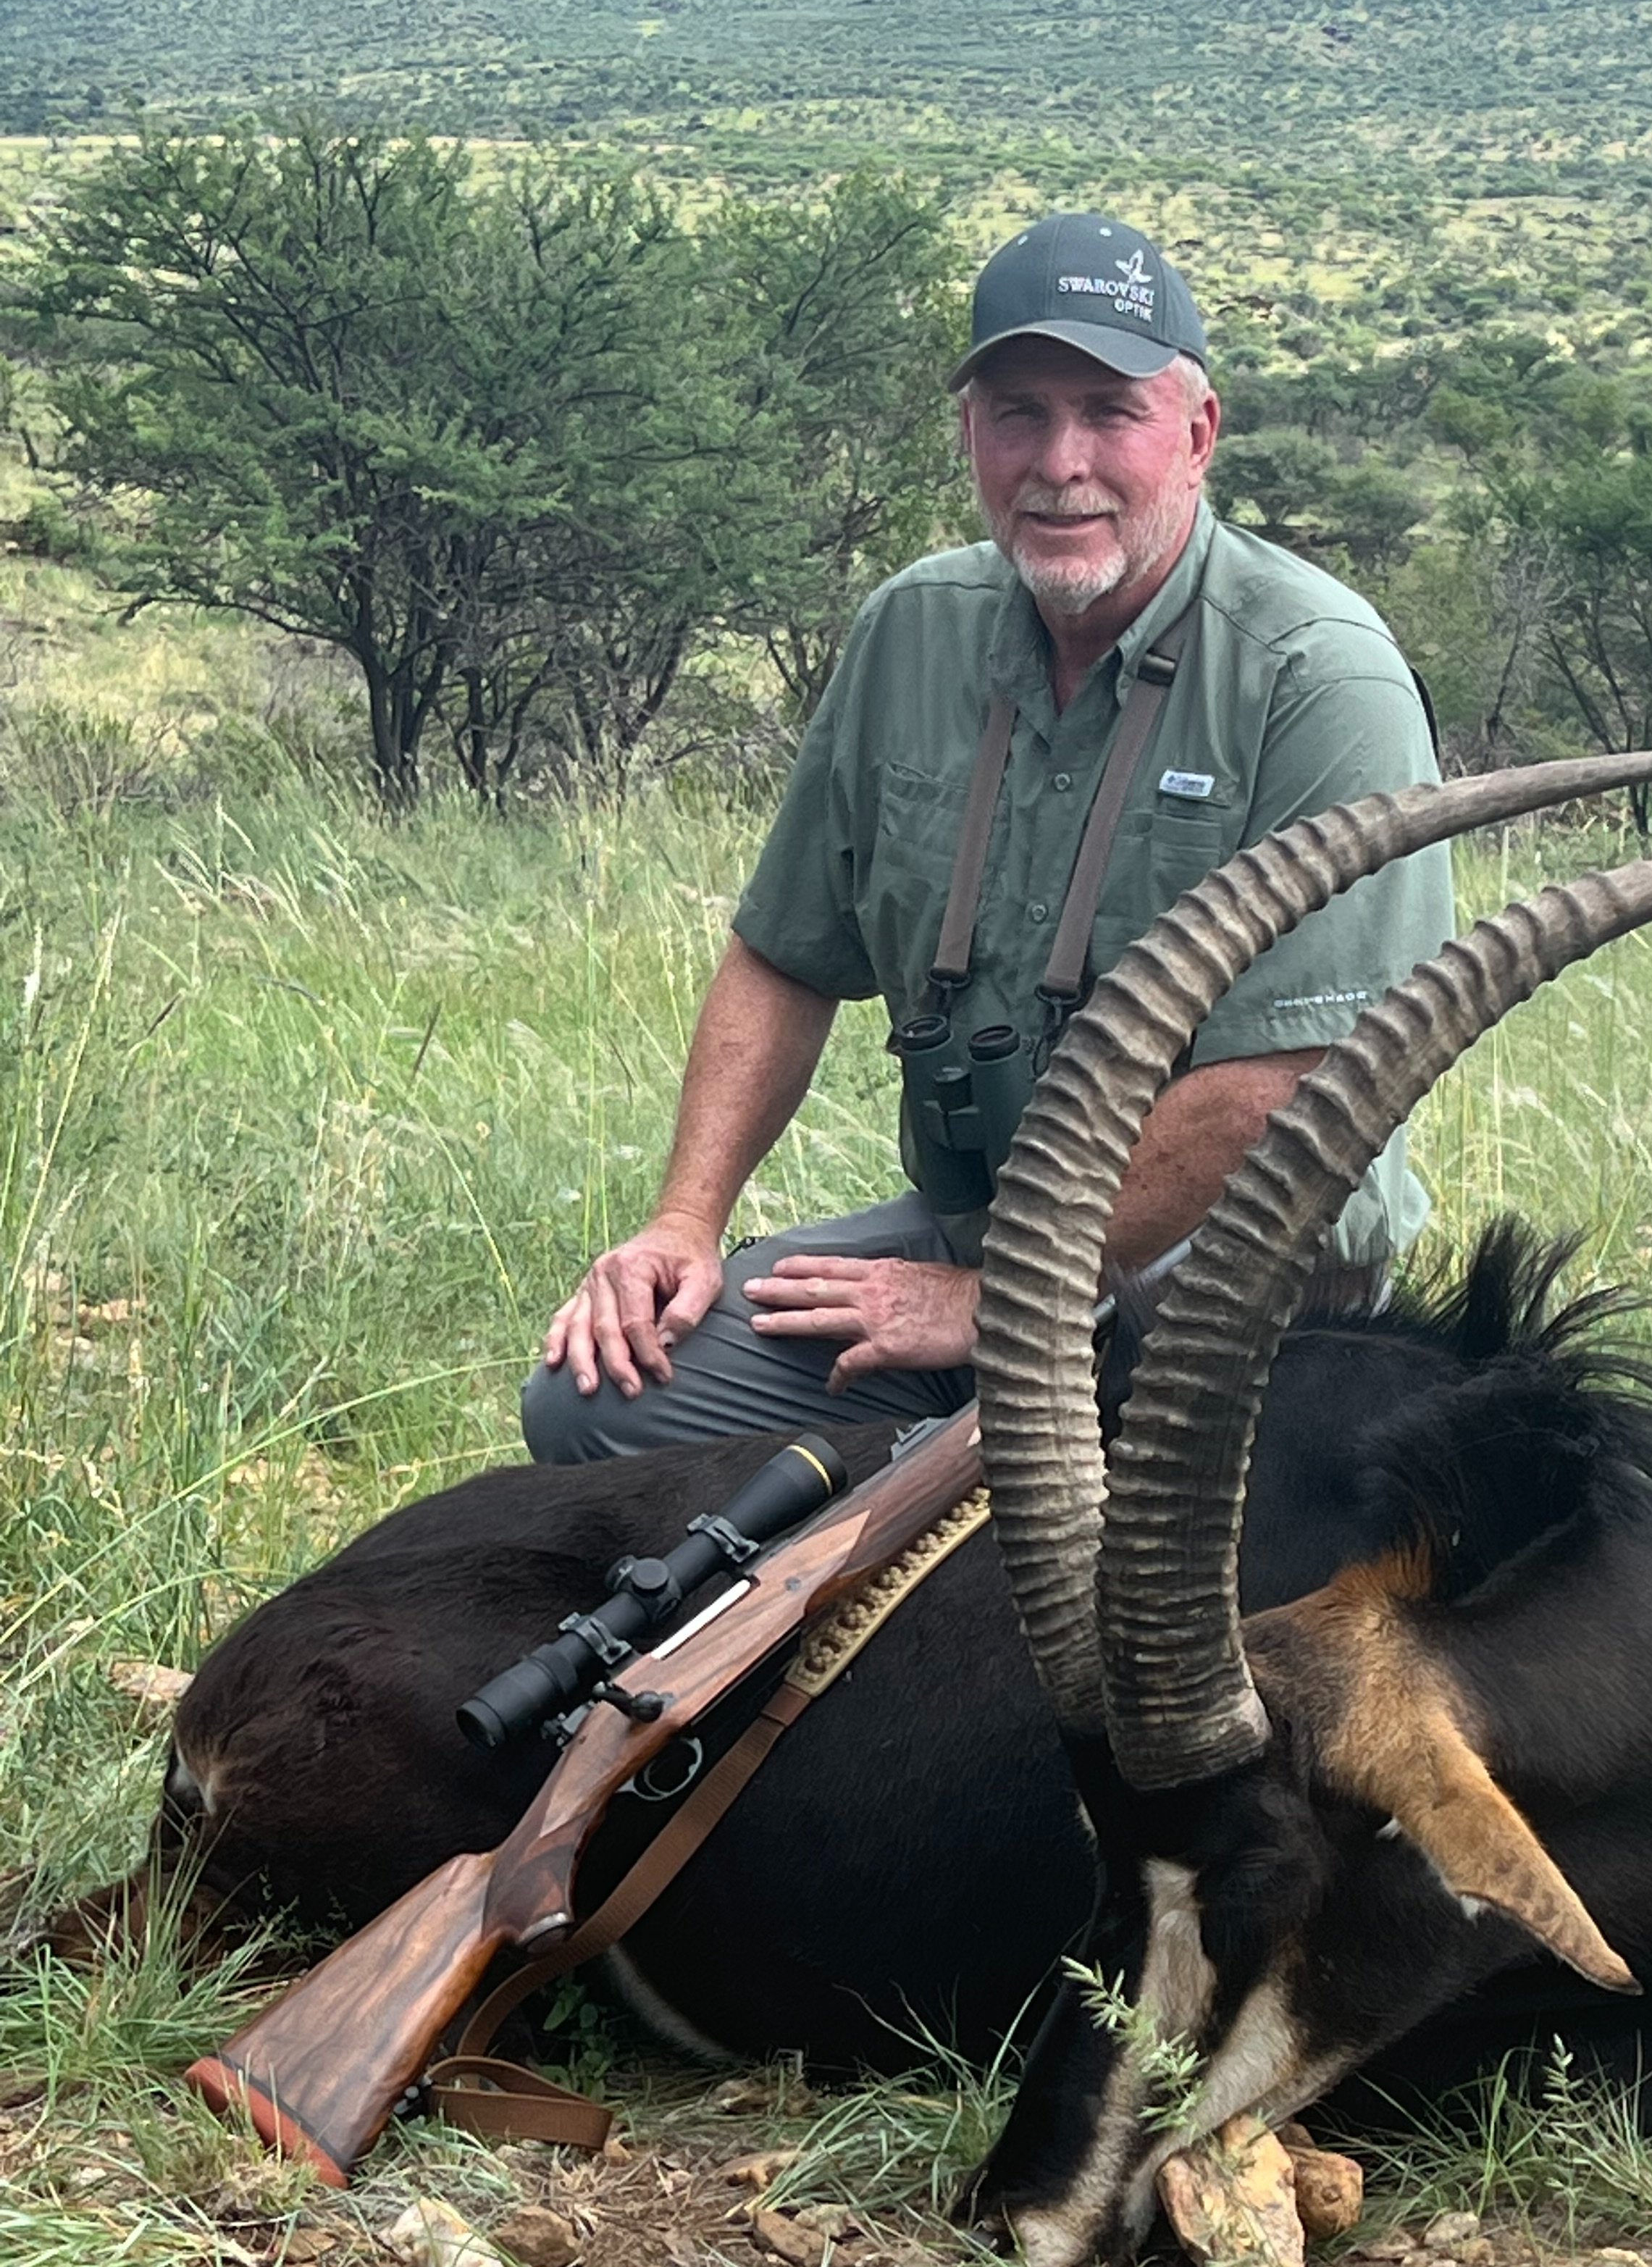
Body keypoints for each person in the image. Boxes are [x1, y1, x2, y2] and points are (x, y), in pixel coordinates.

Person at [521, 210, 1456, 1464]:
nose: (1060, 461)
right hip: (975, 1241)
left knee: (1048, 1547)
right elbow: (786, 957)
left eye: (1110, 411)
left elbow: (1286, 1090)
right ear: (970, 432)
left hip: (1240, 1294)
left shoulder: (1320, 676)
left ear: (1197, 433)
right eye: (1018, 411)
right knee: (601, 1402)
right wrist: (686, 1222)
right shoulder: (913, 630)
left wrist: (994, 1309)